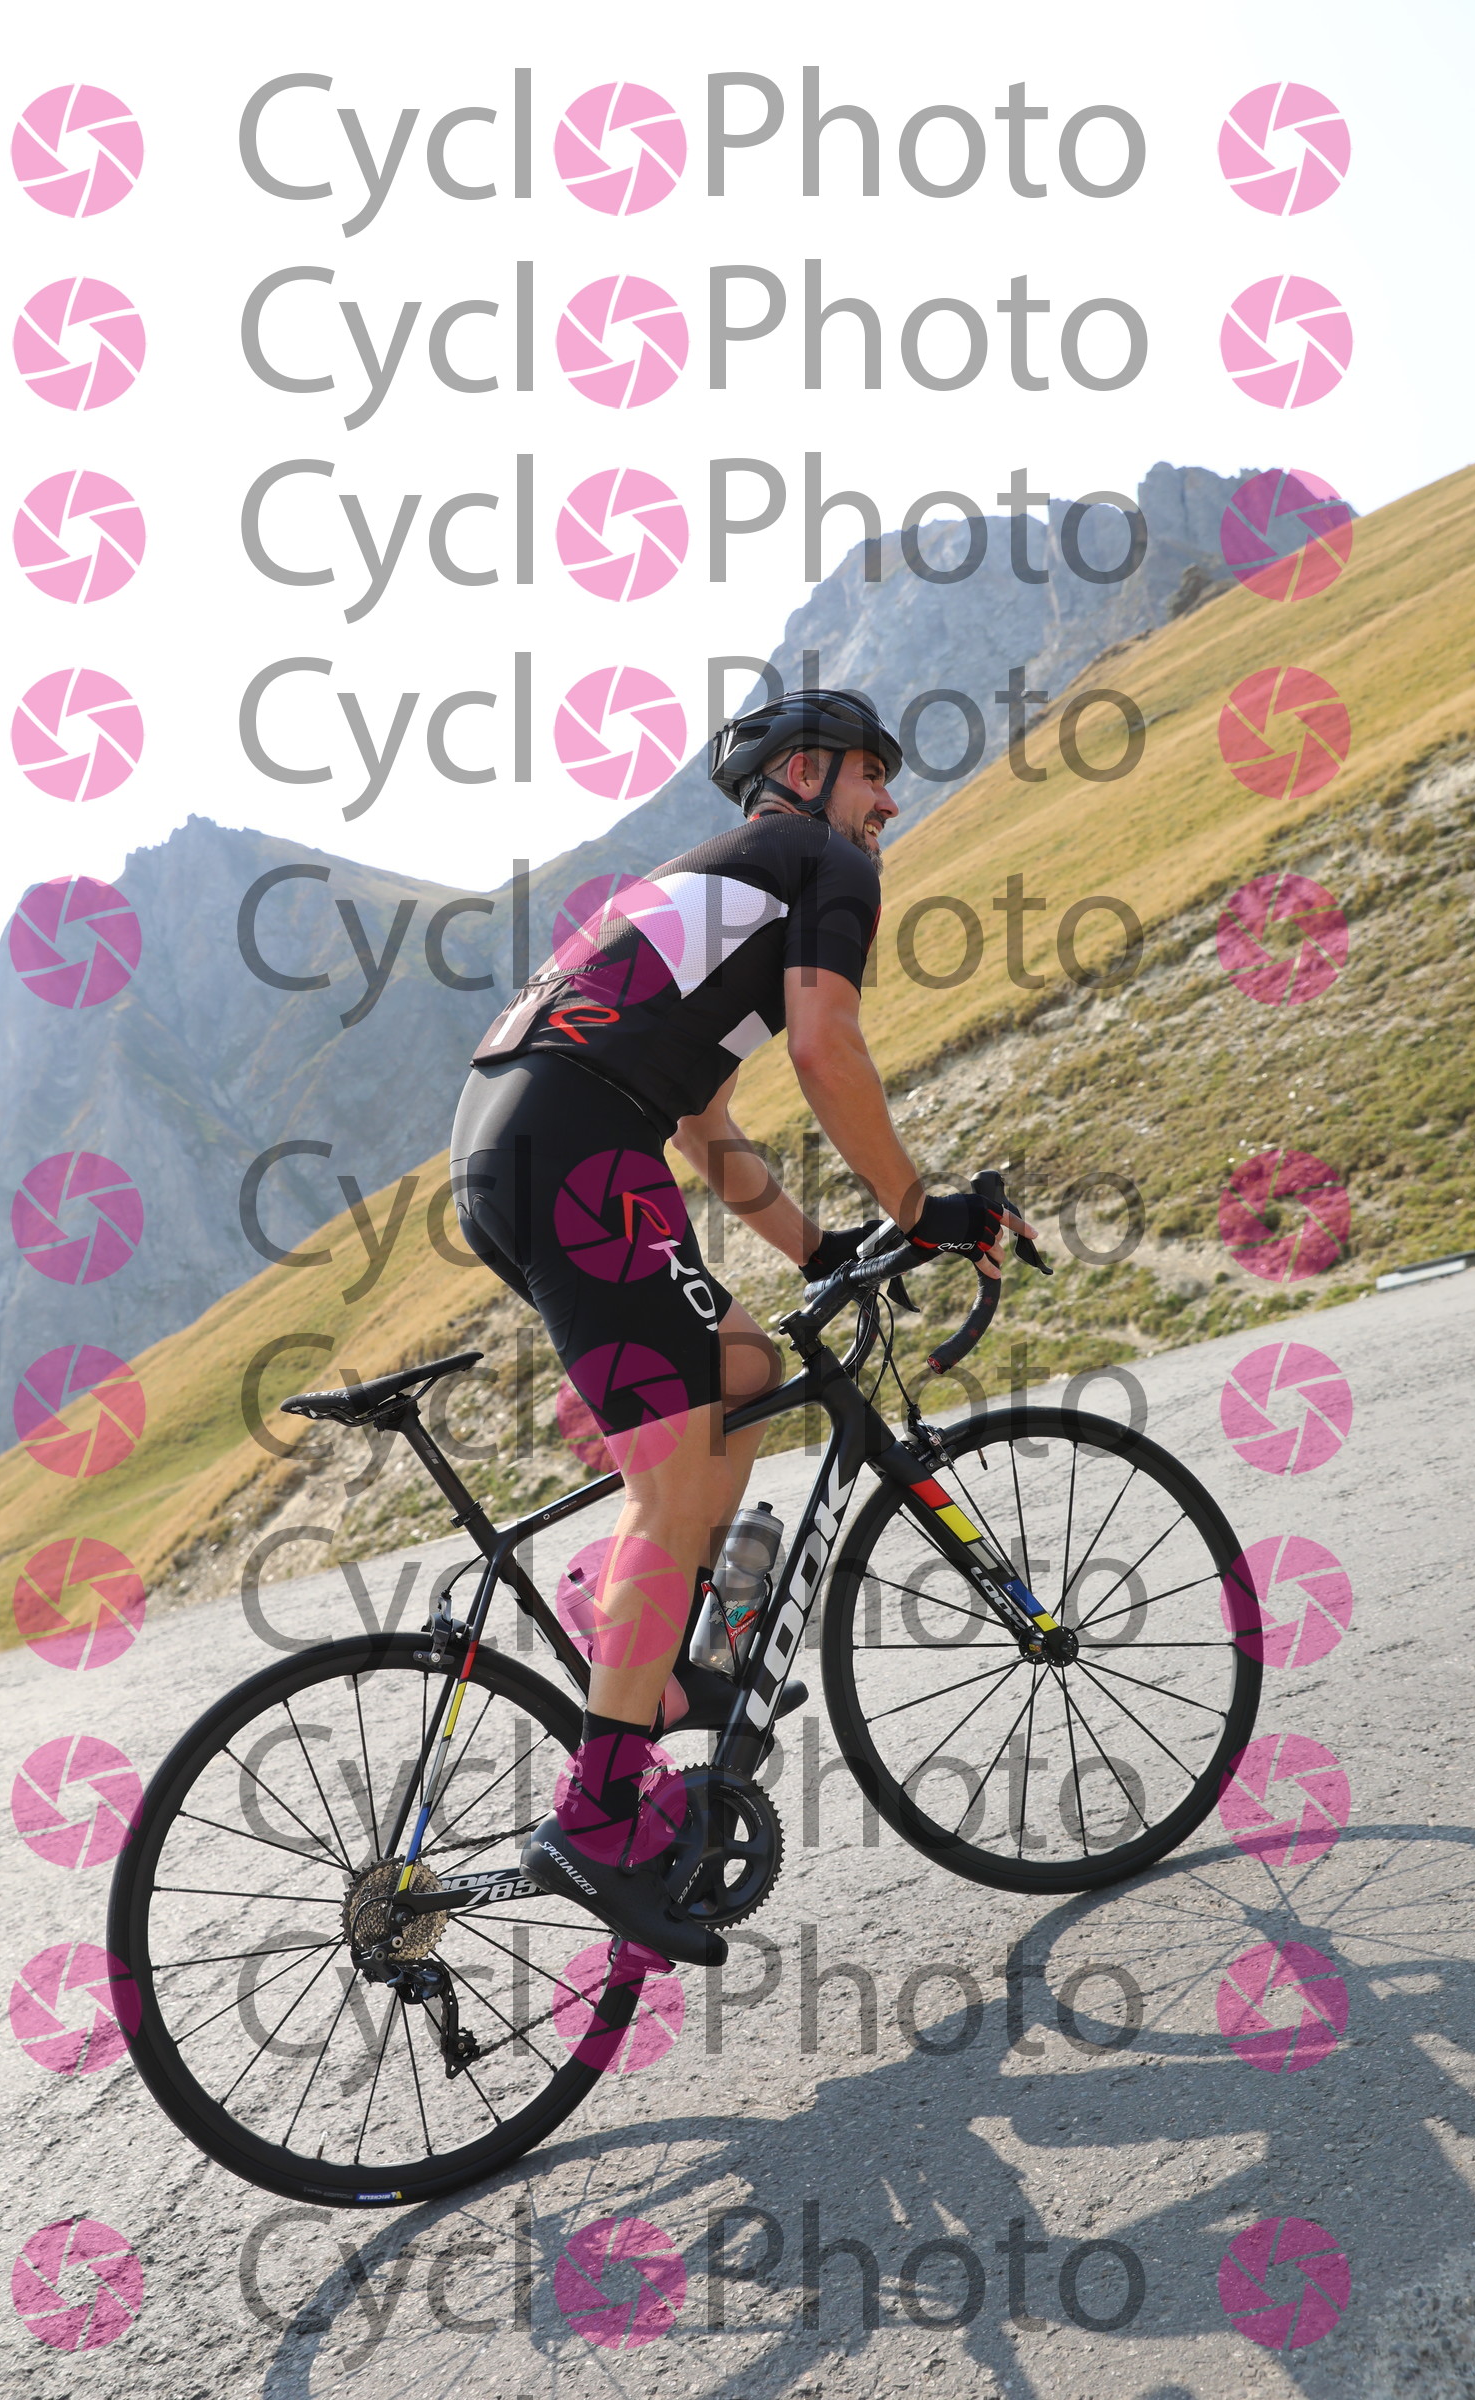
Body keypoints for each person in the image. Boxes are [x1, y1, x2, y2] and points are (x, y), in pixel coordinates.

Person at [449, 689, 1029, 1965]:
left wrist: (821, 1248)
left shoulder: (722, 884)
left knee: (745, 1366)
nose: (889, 802)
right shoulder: (819, 862)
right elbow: (828, 1049)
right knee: (672, 1481)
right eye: (872, 773)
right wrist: (919, 1209)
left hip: (516, 1145)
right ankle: (599, 1816)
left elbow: (706, 1128)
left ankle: (637, 1637)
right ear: (807, 774)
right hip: (578, 1151)